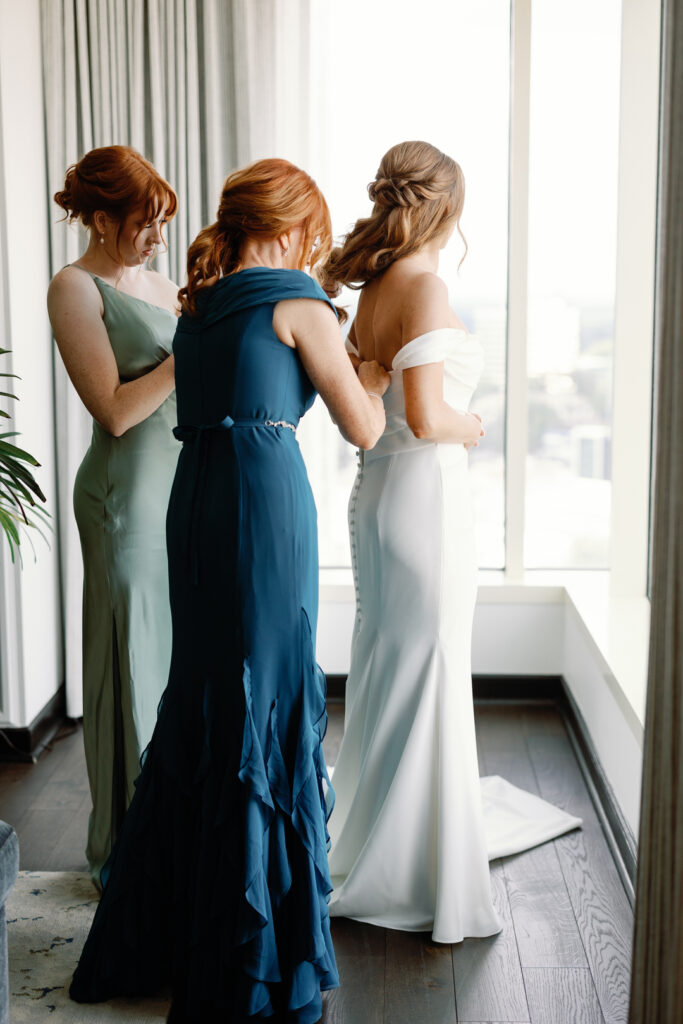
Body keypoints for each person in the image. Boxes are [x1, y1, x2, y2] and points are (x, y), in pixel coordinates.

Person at [69, 157, 390, 1023]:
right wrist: (377, 359)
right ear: (291, 228)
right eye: (313, 234)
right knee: (266, 699)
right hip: (262, 504)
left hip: (196, 502)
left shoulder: (197, 305)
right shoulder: (297, 300)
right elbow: (364, 425)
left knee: (205, 698)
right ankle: (251, 957)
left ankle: (170, 923)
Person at [322, 140, 582, 943]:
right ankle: (411, 867)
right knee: (426, 665)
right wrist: (476, 426)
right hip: (424, 502)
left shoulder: (369, 291)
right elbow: (431, 418)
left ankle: (379, 837)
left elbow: (370, 404)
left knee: (387, 666)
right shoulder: (426, 286)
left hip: (376, 497)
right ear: (449, 207)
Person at [47, 145, 180, 890]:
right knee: (131, 658)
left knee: (173, 658)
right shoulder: (73, 289)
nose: (157, 238)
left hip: (179, 488)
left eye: (162, 223)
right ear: (99, 219)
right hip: (122, 494)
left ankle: (175, 827)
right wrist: (187, 351)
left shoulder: (159, 283)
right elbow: (118, 411)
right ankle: (130, 846)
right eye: (143, 224)